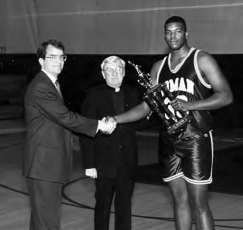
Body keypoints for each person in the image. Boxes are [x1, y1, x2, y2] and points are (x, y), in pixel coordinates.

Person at [109, 16, 233, 230]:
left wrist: (189, 105)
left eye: (177, 31)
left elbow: (226, 96)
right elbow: (146, 107)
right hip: (169, 142)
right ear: (164, 35)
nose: (172, 36)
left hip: (196, 138)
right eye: (168, 32)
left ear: (186, 34)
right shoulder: (158, 67)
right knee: (179, 201)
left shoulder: (201, 59)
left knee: (199, 203)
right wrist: (116, 118)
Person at [23, 39, 116, 230]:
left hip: (47, 165)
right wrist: (99, 125)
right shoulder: (41, 86)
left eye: (61, 57)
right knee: (47, 222)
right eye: (52, 57)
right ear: (41, 60)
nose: (58, 61)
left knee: (41, 220)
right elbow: (65, 117)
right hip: (44, 165)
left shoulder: (51, 83)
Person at [79, 56, 147, 230]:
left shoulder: (132, 93)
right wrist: (89, 164)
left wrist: (150, 112)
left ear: (124, 73)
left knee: (124, 206)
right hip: (104, 162)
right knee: (102, 205)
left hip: (127, 161)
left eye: (118, 70)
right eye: (109, 70)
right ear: (103, 74)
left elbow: (139, 125)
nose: (114, 73)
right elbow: (86, 131)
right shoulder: (93, 96)